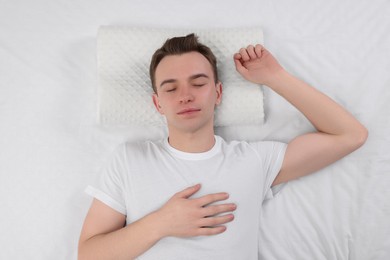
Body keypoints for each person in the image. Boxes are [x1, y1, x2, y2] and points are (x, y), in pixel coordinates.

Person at [78, 34, 367, 259]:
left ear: (217, 93)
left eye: (198, 83)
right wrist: (161, 223)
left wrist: (274, 77)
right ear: (158, 103)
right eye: (170, 88)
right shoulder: (130, 159)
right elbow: (88, 255)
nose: (185, 96)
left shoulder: (253, 160)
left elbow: (349, 135)